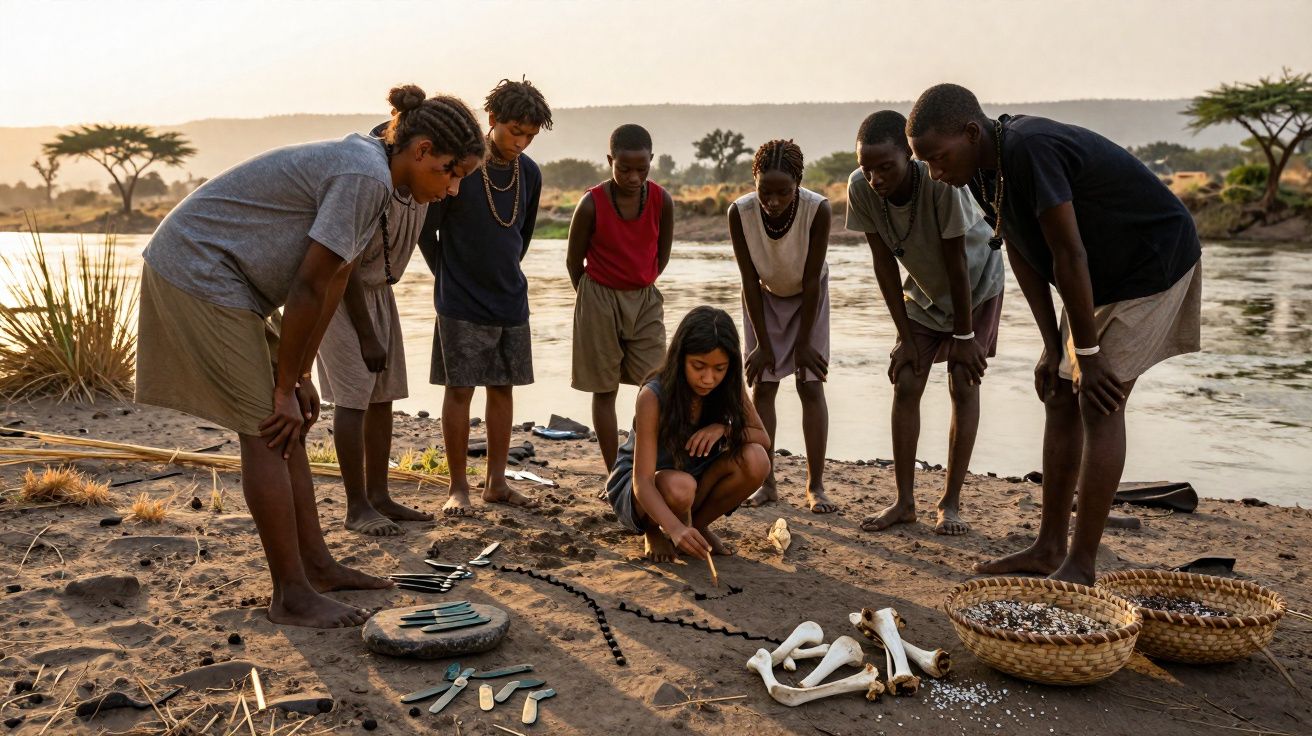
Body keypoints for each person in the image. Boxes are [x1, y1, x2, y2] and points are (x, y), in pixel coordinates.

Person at [136, 85, 485, 627]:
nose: (454, 188)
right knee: (267, 428)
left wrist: (298, 374)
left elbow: (336, 277)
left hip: (232, 283)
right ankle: (290, 594)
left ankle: (318, 567)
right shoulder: (364, 176)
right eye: (449, 171)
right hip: (198, 272)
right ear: (419, 150)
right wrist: (281, 388)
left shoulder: (380, 180)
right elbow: (305, 287)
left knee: (287, 424)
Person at [907, 83, 1202, 584]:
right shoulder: (979, 173)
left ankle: (1081, 564)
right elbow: (1020, 249)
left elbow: (1068, 253)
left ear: (971, 132)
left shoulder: (1029, 148)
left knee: (1099, 400)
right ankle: (1048, 548)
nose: (934, 173)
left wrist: (1087, 351)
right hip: (1096, 278)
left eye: (937, 158)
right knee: (1059, 395)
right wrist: (1051, 344)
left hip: (1150, 263)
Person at [845, 110, 1005, 536]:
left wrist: (965, 336)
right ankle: (904, 501)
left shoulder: (938, 186)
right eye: (867, 167)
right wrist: (904, 336)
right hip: (924, 293)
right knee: (907, 379)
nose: (876, 177)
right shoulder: (860, 188)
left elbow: (957, 262)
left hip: (976, 283)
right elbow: (882, 262)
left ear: (908, 156)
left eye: (886, 167)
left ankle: (950, 503)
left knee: (963, 382)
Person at [418, 78, 552, 517]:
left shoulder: (529, 172)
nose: (521, 141)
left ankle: (496, 483)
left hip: (510, 296)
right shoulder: (463, 165)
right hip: (459, 299)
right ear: (492, 120)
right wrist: (447, 275)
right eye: (515, 131)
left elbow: (522, 235)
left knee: (503, 387)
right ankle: (458, 487)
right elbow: (427, 228)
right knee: (459, 390)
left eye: (530, 135)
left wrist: (502, 274)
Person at [315, 117, 436, 537]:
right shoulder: (373, 189)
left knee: (382, 396)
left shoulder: (419, 192)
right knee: (353, 398)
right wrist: (366, 334)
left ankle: (380, 495)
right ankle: (356, 506)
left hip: (380, 293)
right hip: (342, 295)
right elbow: (342, 266)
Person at [605, 306, 772, 562]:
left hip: (696, 478)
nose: (708, 378)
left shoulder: (728, 386)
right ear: (680, 357)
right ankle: (655, 530)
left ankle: (696, 527)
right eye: (699, 366)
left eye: (720, 368)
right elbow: (642, 482)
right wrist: (673, 529)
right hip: (646, 489)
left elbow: (762, 438)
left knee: (757, 459)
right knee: (680, 485)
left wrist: (724, 429)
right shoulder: (653, 396)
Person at [728, 139, 836, 514]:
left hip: (810, 296)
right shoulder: (739, 213)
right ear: (754, 180)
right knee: (764, 385)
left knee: (810, 385)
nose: (772, 202)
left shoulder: (817, 209)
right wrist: (761, 342)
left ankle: (815, 486)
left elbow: (810, 280)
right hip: (764, 297)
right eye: (765, 192)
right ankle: (767, 483)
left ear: (799, 183)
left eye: (783, 192)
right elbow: (748, 280)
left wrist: (805, 343)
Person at [566, 123, 674, 473]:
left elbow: (662, 255)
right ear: (610, 160)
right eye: (624, 168)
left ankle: (646, 465)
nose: (633, 176)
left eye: (642, 169)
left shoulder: (661, 200)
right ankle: (615, 472)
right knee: (605, 388)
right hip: (598, 297)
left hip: (644, 299)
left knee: (657, 385)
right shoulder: (591, 204)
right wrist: (593, 300)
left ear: (651, 162)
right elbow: (573, 261)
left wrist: (639, 282)